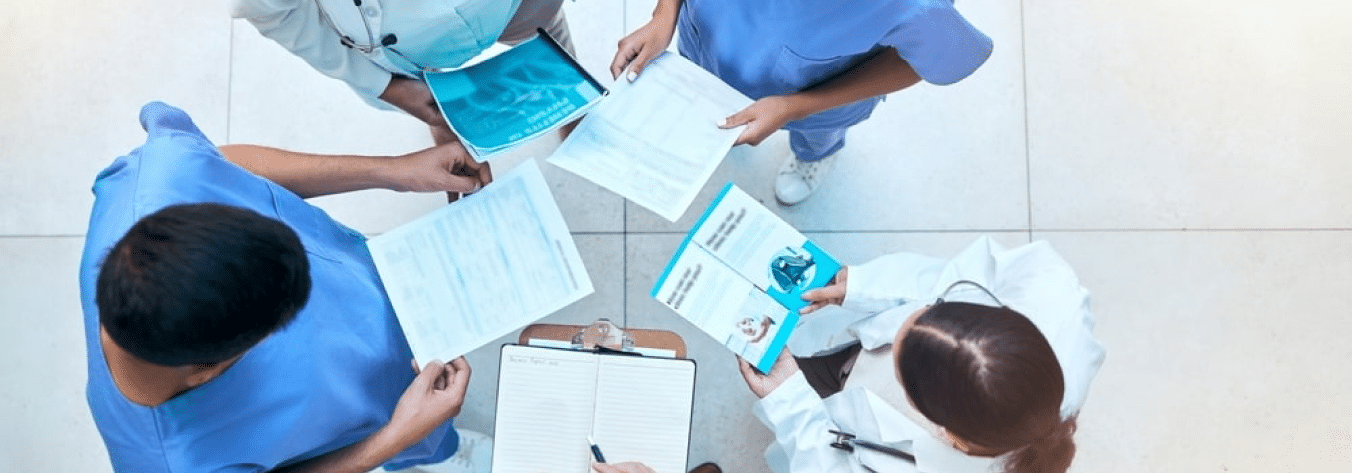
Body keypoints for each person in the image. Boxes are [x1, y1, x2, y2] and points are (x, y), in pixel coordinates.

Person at [79, 101, 492, 472]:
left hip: (401, 318)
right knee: (428, 438)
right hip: (377, 410)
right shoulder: (178, 463)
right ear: (207, 372)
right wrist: (394, 438)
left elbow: (220, 167)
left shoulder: (160, 183)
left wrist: (393, 170)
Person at [735, 237, 1106, 473]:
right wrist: (866, 286)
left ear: (944, 432)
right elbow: (969, 273)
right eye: (934, 310)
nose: (900, 325)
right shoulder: (1054, 303)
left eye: (897, 356)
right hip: (850, 364)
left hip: (851, 404)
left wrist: (790, 406)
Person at [611, 0, 993, 206]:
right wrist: (663, 15)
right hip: (705, 41)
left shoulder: (914, 6)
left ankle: (814, 157)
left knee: (817, 139)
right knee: (711, 106)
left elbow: (920, 61)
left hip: (815, 97)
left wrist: (794, 107)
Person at [231, 0, 575, 147]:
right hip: (408, 49)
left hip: (515, 6)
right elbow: (276, 13)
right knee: (436, 107)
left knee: (548, 47)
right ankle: (448, 128)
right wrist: (386, 86)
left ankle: (572, 105)